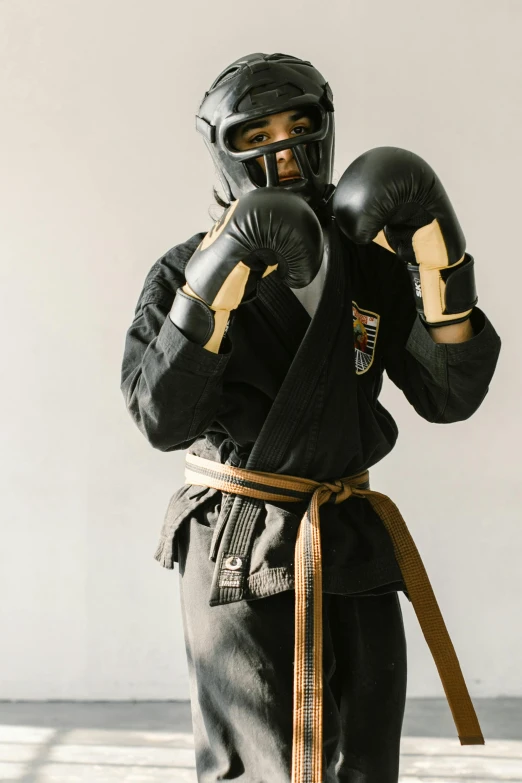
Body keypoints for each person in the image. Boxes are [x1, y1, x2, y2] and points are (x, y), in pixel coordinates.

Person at [120, 52, 501, 783]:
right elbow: (163, 418)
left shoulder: (371, 260)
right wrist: (214, 282)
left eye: (301, 124)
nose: (284, 148)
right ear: (221, 149)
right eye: (255, 133)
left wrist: (438, 256)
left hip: (348, 531)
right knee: (253, 762)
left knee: (364, 757)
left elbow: (449, 395)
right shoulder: (181, 269)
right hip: (241, 543)